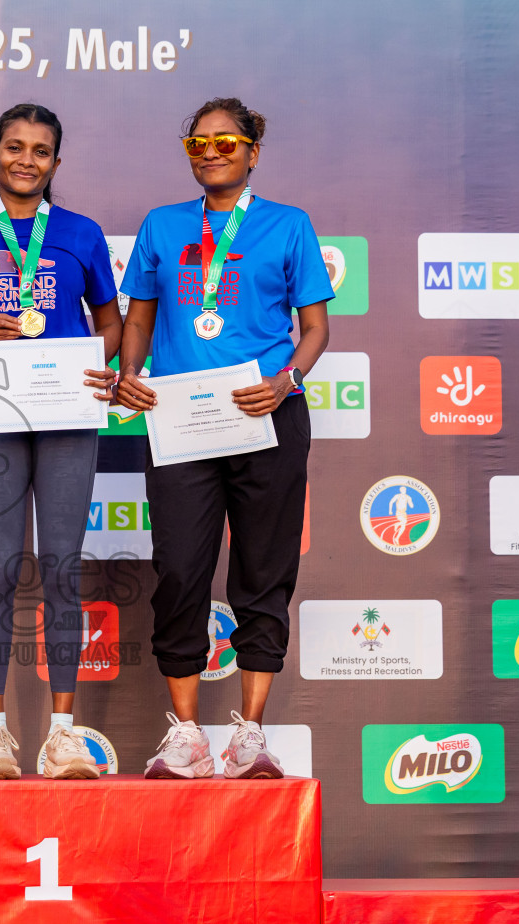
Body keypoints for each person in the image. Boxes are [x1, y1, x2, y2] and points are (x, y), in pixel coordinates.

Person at [111, 98, 332, 780]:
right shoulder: (161, 225)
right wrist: (128, 371)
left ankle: (251, 737)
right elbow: (138, 321)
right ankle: (186, 735)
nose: (210, 151)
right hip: (179, 420)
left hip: (265, 415)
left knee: (264, 572)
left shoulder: (288, 226)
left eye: (226, 142)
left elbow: (316, 329)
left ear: (252, 151)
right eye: (197, 143)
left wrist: (287, 380)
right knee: (179, 572)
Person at [0, 104, 122, 780]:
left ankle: (63, 734)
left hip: (67, 410)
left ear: (56, 164)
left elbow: (112, 320)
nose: (26, 160)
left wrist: (101, 367)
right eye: (14, 147)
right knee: (1, 570)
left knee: (63, 568)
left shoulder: (82, 234)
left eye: (41, 151)